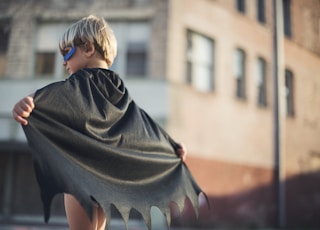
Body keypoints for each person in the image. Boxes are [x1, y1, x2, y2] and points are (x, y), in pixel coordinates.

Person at [12, 15, 202, 230]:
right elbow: (139, 123)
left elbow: (52, 95)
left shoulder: (79, 82)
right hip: (104, 179)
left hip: (80, 175)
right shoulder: (117, 86)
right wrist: (169, 145)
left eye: (67, 52)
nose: (64, 61)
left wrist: (30, 100)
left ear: (88, 48)